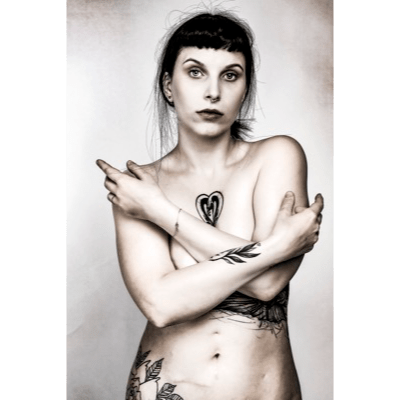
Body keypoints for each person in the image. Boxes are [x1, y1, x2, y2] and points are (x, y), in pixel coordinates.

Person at [97, 11, 323, 400]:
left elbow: (267, 284)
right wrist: (276, 248)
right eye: (195, 72)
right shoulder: (139, 189)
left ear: (245, 88)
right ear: (169, 86)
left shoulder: (277, 156)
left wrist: (160, 212)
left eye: (230, 75)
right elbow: (161, 305)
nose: (213, 92)